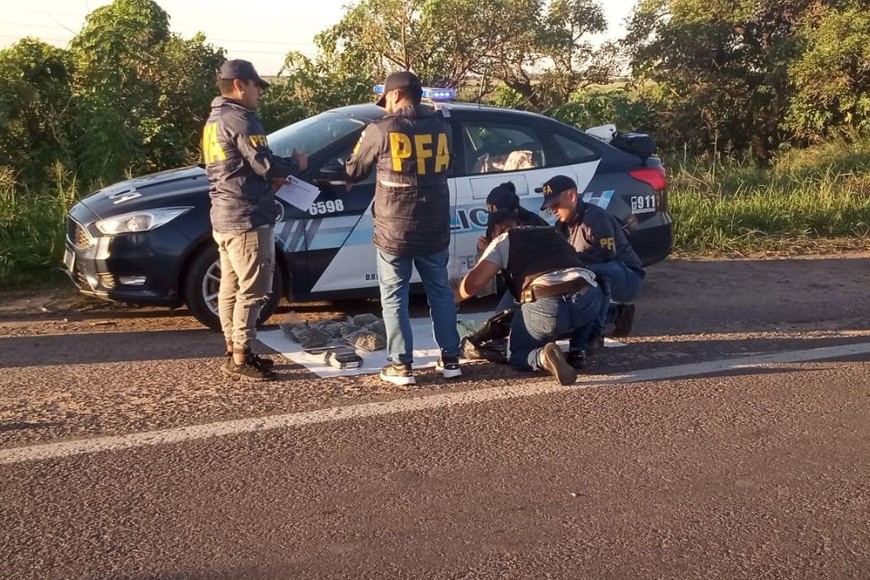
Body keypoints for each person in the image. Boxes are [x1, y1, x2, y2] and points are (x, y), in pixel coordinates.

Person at [344, 70, 461, 386]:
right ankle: (451, 359)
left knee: (395, 297)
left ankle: (401, 366)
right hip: (435, 227)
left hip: (393, 232)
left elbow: (354, 170)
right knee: (440, 292)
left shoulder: (381, 129)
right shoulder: (442, 127)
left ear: (394, 95)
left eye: (385, 101)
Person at [202, 59, 308, 381]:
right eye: (256, 86)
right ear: (239, 85)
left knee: (231, 288)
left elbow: (235, 168)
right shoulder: (243, 119)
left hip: (224, 215)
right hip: (248, 218)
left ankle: (233, 349)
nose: (259, 92)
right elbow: (266, 164)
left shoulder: (214, 120)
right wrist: (296, 164)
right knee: (254, 289)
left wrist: (264, 179)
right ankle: (242, 356)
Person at [454, 208, 607, 385]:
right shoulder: (552, 232)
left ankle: (542, 357)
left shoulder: (503, 240)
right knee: (585, 285)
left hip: (546, 302)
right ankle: (578, 350)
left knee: (517, 351)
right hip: (586, 297)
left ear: (495, 229)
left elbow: (474, 284)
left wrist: (455, 296)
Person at [538, 174, 645, 337]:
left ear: (571, 196)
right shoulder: (562, 226)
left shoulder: (596, 218)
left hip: (626, 275)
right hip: (599, 270)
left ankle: (597, 330)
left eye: (556, 204)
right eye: (550, 206)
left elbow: (606, 257)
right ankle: (614, 313)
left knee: (592, 274)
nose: (552, 210)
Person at [476, 181, 549, 311]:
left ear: (516, 213)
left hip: (541, 285)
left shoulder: (535, 226)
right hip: (516, 286)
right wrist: (485, 253)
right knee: (500, 317)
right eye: (496, 221)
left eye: (504, 222)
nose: (499, 228)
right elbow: (485, 284)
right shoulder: (494, 227)